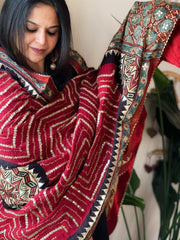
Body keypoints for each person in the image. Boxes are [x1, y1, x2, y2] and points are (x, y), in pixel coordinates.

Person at [0, 0, 179, 239]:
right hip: (24, 228)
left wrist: (146, 24)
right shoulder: (4, 86)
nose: (42, 41)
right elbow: (15, 159)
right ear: (9, 23)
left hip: (86, 213)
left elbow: (106, 96)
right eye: (30, 29)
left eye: (52, 31)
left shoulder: (70, 70)